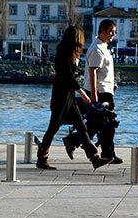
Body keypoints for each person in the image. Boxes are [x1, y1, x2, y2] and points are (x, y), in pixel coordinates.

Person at [36, 25, 113, 170]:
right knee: (53, 127)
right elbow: (67, 76)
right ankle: (42, 158)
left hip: (69, 95)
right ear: (76, 38)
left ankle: (94, 158)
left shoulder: (69, 52)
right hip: (61, 96)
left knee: (81, 125)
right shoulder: (63, 52)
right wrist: (83, 93)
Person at [64, 19, 123, 164]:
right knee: (103, 122)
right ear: (102, 30)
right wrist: (94, 95)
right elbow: (93, 72)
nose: (113, 35)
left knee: (107, 122)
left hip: (106, 90)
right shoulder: (96, 48)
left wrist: (111, 86)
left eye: (114, 32)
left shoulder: (103, 47)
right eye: (111, 32)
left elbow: (104, 72)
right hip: (99, 92)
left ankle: (108, 152)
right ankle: (74, 140)